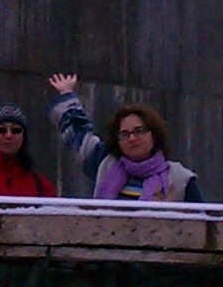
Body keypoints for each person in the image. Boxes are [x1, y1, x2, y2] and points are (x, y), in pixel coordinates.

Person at [46, 72, 203, 203]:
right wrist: (67, 94)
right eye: (124, 134)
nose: (132, 138)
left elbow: (203, 221)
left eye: (139, 131)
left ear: (154, 134)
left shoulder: (179, 179)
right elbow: (78, 133)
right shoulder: (104, 163)